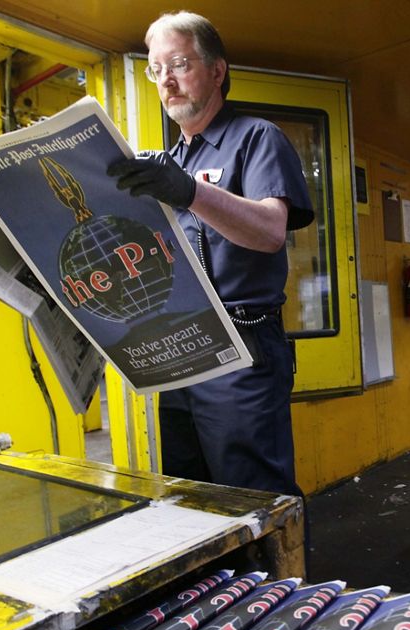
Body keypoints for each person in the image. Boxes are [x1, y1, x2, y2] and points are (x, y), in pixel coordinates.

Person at [108, 11, 314, 498]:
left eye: (179, 63)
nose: (167, 80)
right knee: (193, 495)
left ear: (217, 70)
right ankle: (221, 580)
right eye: (157, 70)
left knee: (254, 495)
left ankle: (279, 578)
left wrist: (187, 192)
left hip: (242, 344)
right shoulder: (169, 162)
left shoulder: (256, 137)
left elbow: (269, 231)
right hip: (180, 348)